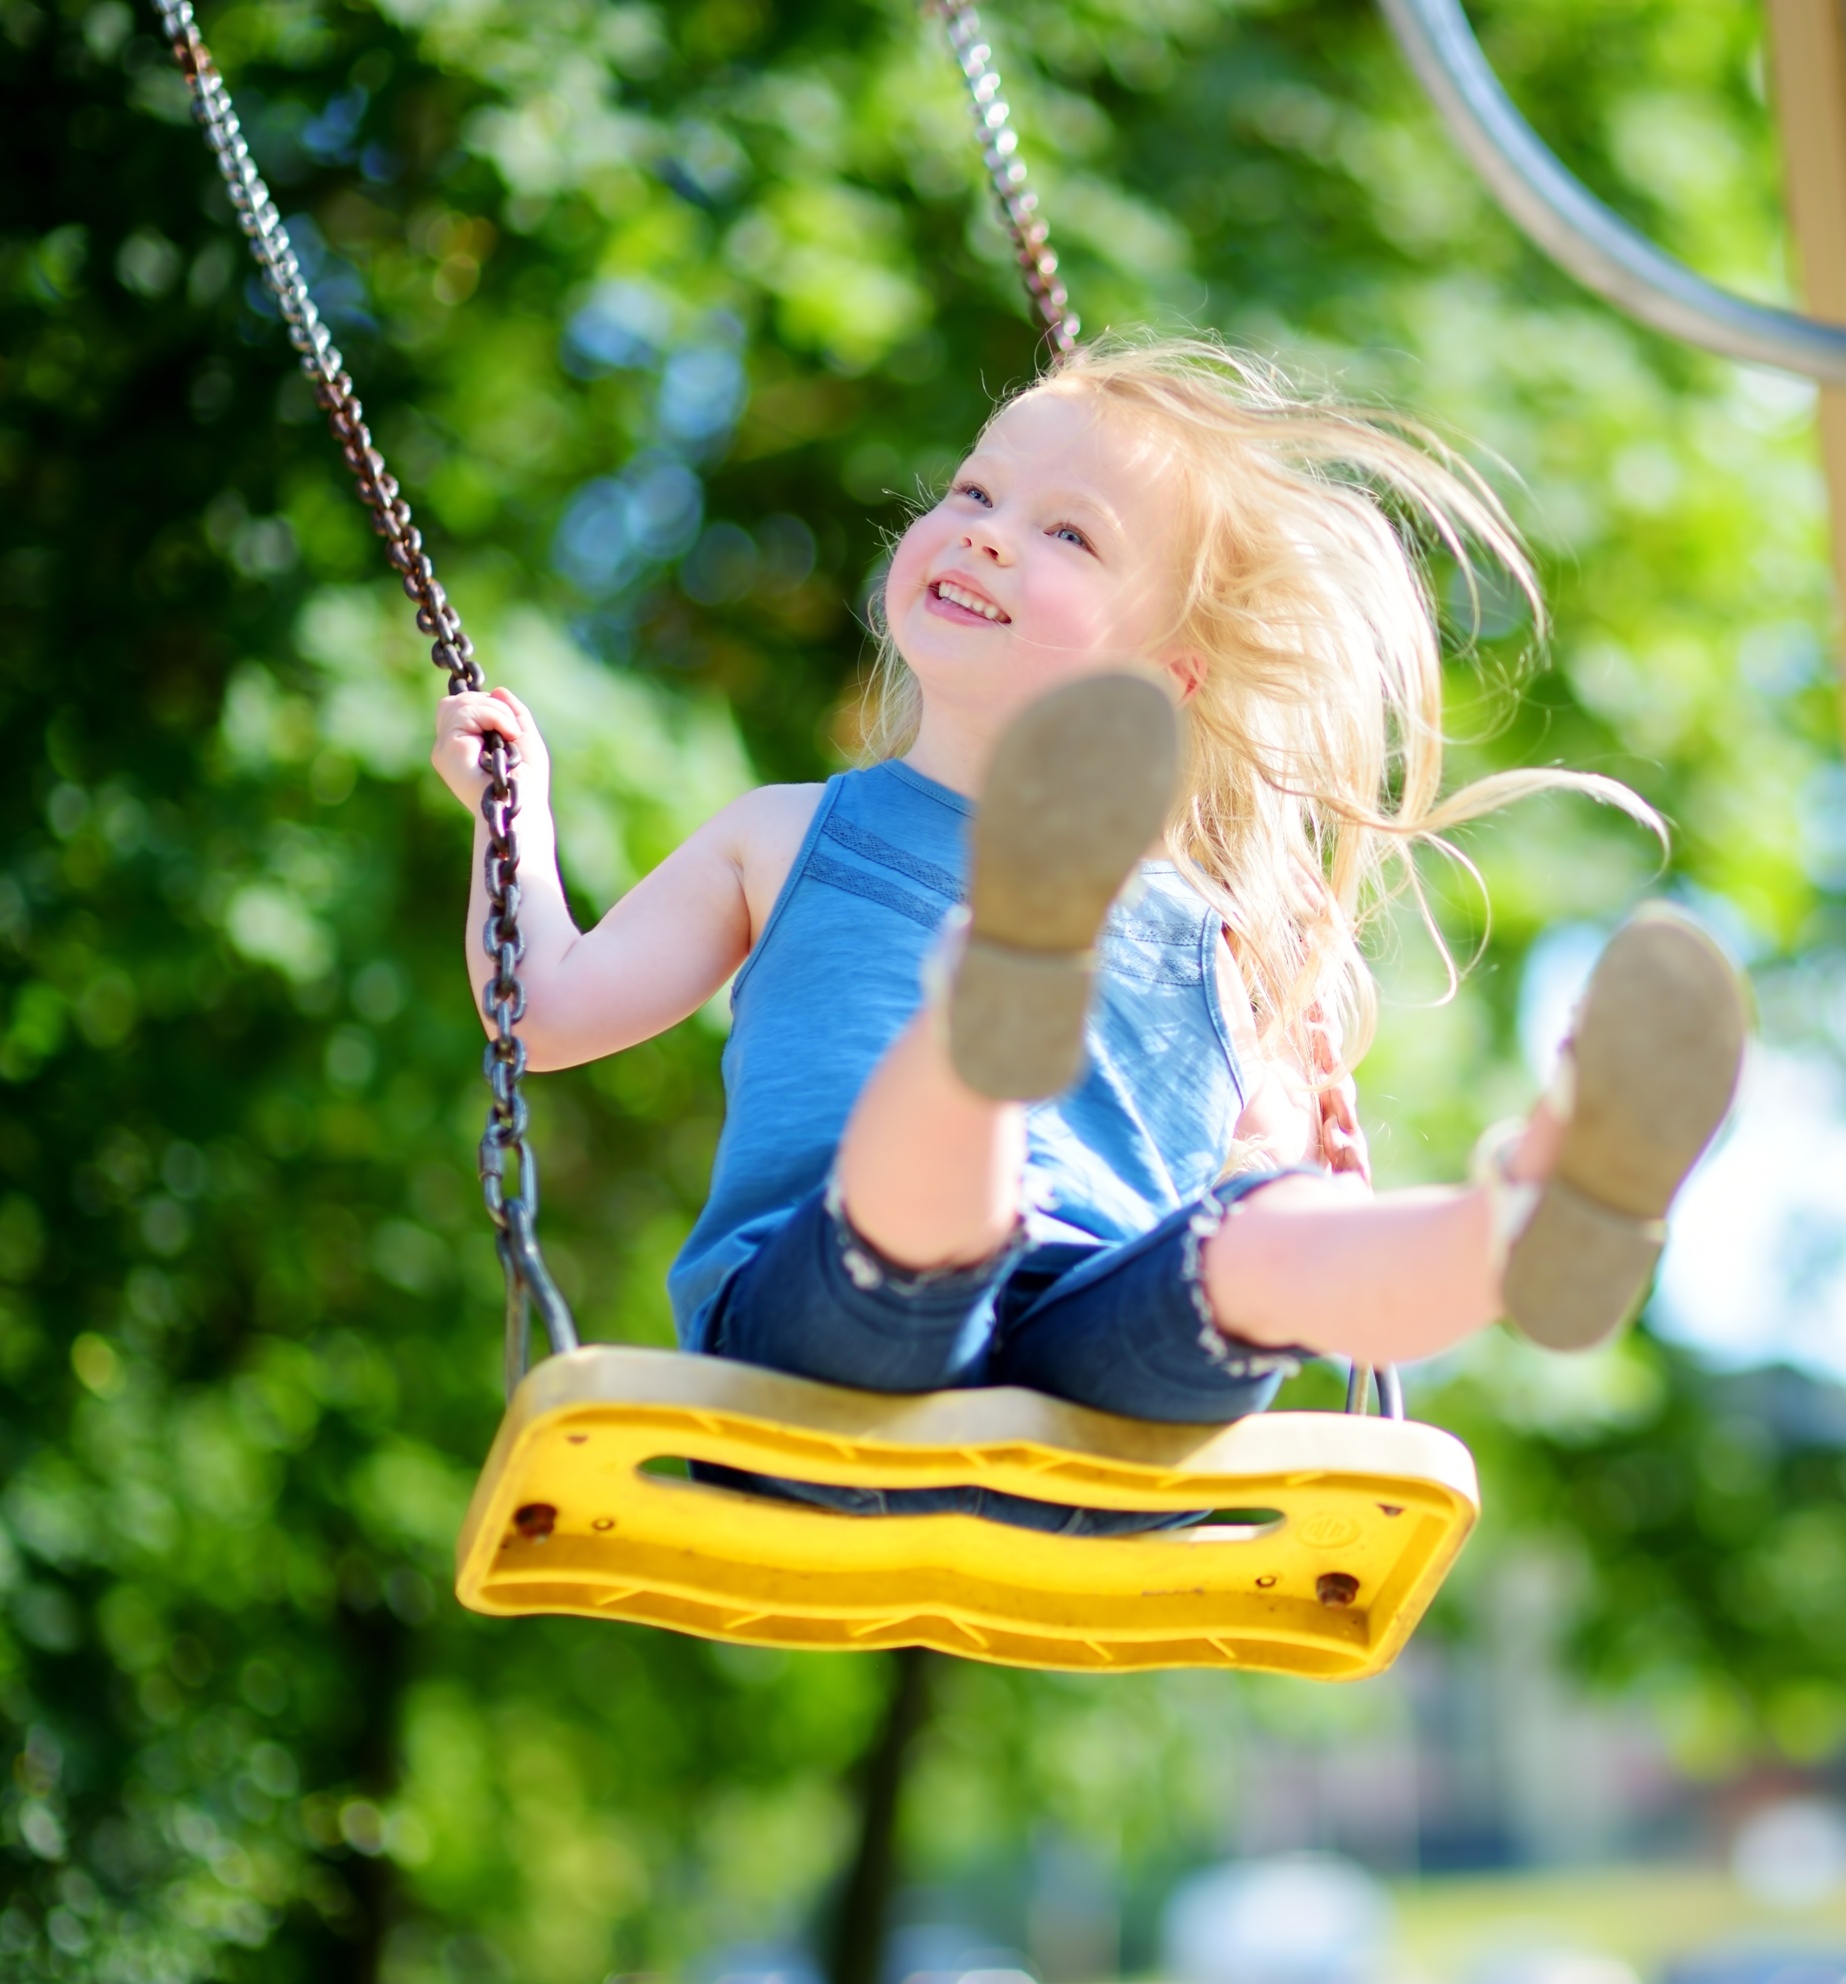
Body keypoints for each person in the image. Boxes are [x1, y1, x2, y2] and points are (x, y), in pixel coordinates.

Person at [428, 335, 1747, 1530]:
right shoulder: (785, 834)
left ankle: (1520, 1225)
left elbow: (1254, 1184)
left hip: (1097, 1403)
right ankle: (986, 1017)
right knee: (935, 1223)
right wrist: (511, 822)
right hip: (818, 1372)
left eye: (1071, 536)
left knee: (1257, 1245)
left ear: (1167, 676)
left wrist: (1313, 1180)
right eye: (973, 494)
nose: (990, 534)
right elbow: (544, 1012)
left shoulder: (1215, 938)